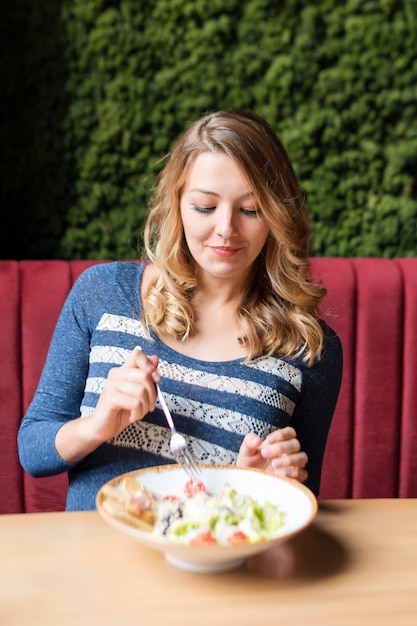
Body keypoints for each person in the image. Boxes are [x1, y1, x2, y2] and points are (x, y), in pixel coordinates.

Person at [18, 110, 343, 511]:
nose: (226, 228)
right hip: (93, 566)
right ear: (177, 203)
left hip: (216, 568)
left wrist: (261, 488)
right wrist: (97, 424)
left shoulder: (309, 348)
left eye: (252, 209)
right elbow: (33, 450)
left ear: (278, 215)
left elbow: (302, 503)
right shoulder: (102, 293)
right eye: (205, 207)